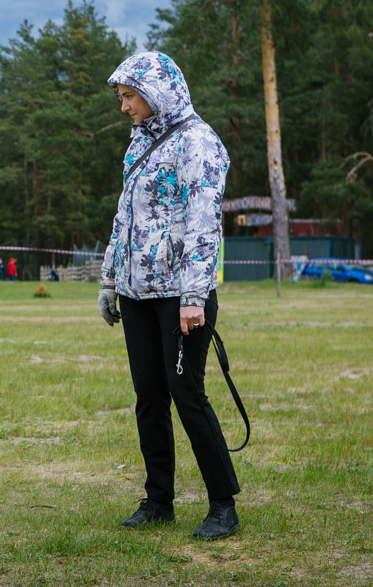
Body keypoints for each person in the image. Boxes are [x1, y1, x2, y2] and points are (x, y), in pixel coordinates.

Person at [96, 51, 240, 541]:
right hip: (137, 293)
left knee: (187, 395)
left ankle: (223, 505)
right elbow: (124, 216)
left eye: (129, 97)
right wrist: (110, 279)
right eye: (122, 98)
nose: (124, 108)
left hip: (182, 295)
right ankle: (158, 500)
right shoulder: (138, 143)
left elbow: (204, 227)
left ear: (156, 94)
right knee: (148, 398)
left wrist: (194, 296)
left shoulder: (199, 143)